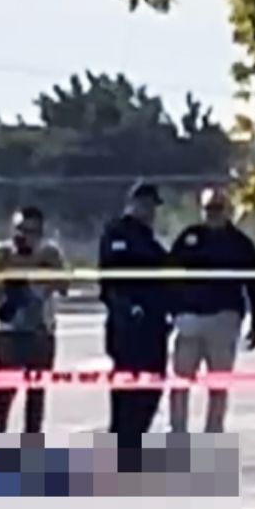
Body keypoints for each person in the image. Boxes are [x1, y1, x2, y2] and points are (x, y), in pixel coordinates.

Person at [167, 187, 255, 433]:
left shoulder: (240, 244)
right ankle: (177, 435)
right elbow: (169, 276)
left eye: (218, 209)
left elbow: (254, 286)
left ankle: (213, 436)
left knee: (218, 385)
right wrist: (171, 312)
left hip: (224, 319)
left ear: (227, 210)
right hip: (189, 320)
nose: (213, 214)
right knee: (180, 382)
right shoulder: (188, 238)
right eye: (209, 209)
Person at [0, 206, 67, 434]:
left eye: (30, 231)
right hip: (9, 332)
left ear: (40, 233)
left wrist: (41, 279)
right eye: (19, 229)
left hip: (40, 331)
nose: (23, 236)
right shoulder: (2, 253)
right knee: (3, 394)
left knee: (36, 396)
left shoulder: (50, 254)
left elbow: (65, 286)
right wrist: (1, 283)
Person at [99, 182, 171, 442]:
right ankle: (123, 446)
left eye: (153, 207)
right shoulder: (116, 233)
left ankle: (132, 444)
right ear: (134, 203)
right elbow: (111, 283)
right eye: (146, 205)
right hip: (127, 328)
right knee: (127, 394)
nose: (151, 211)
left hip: (153, 328)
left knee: (151, 390)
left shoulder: (150, 240)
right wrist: (129, 309)